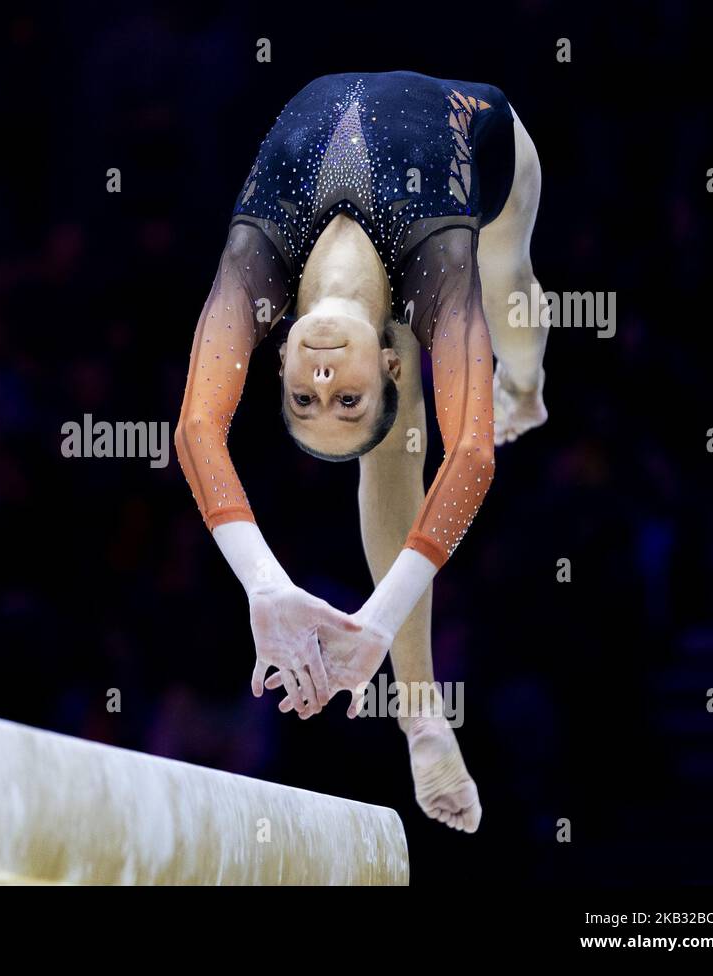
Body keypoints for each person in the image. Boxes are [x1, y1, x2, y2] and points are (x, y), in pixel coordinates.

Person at [174, 72, 548, 832]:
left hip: (454, 167)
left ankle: (529, 389)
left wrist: (266, 588)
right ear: (384, 365)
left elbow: (194, 431)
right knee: (478, 310)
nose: (318, 382)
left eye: (304, 400)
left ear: (276, 362)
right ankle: (421, 715)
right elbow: (470, 456)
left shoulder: (258, 267)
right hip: (489, 154)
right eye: (345, 400)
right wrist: (372, 627)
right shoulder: (439, 266)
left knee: (515, 306)